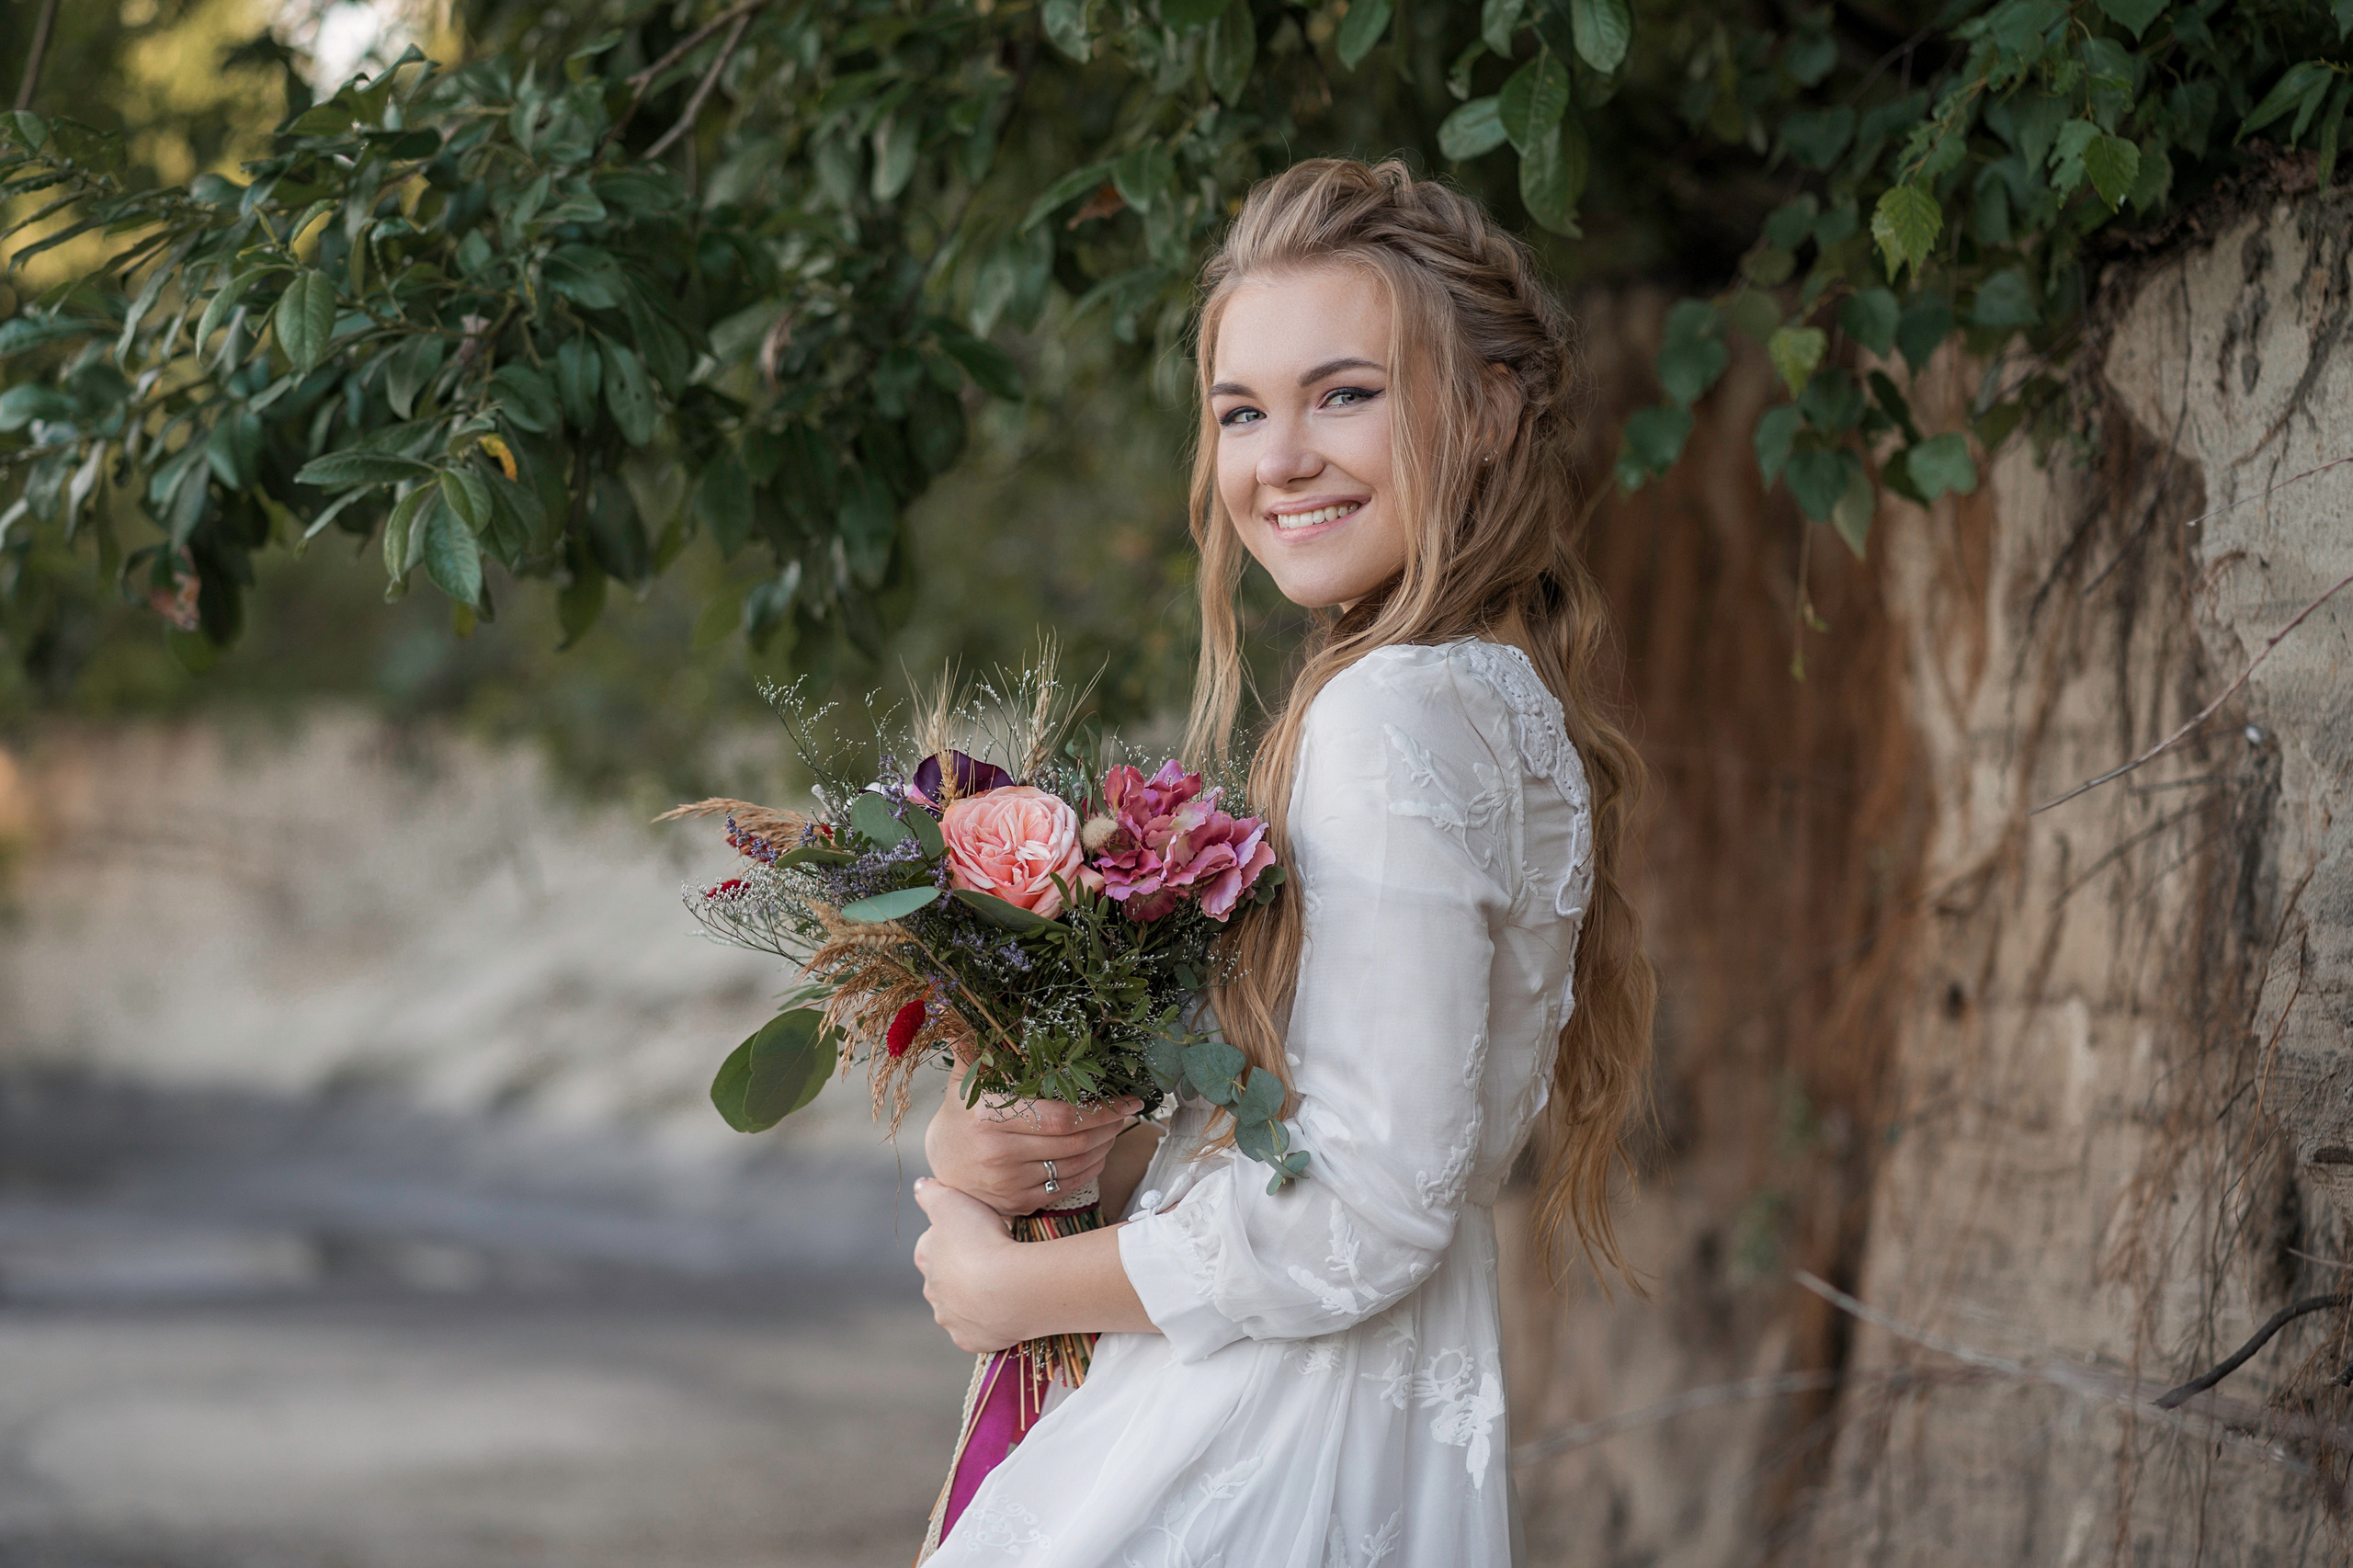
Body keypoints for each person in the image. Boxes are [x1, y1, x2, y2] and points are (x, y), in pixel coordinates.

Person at [907, 156, 1654, 1567]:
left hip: (1272, 1431)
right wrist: (1052, 1139)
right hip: (1354, 1405)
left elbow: (1366, 1204)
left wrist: (1020, 1287)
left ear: (1492, 407)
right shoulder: (1495, 700)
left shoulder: (1387, 718)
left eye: (1346, 393)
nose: (1279, 459)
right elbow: (1339, 1130)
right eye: (1242, 410)